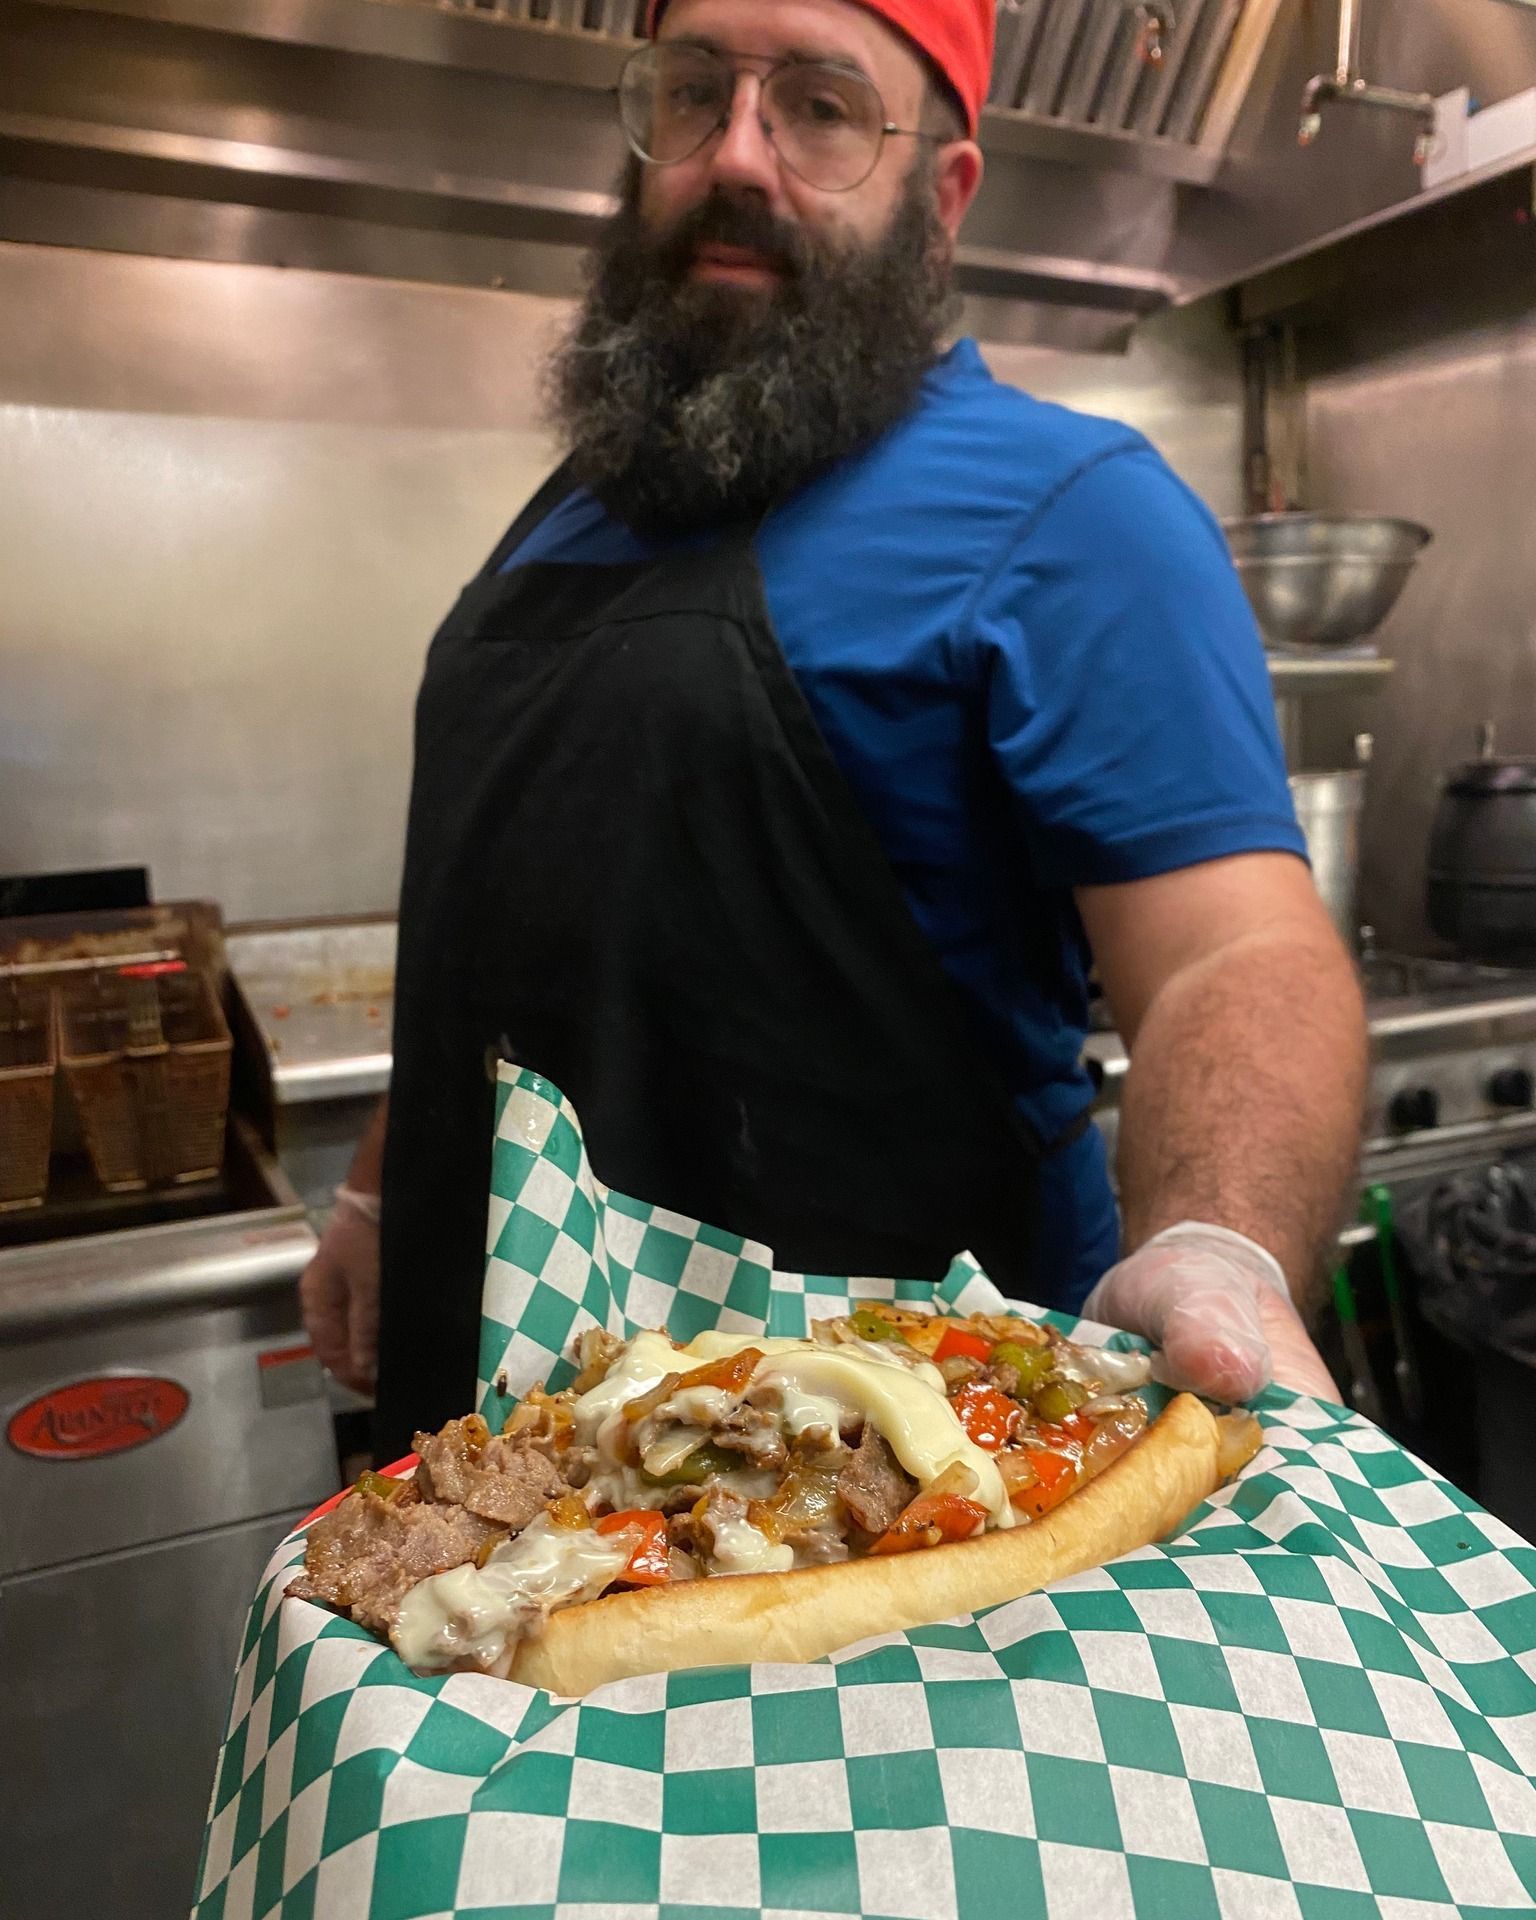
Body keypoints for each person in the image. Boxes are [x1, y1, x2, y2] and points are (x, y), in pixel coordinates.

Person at [302, 0, 1367, 1460]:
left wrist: (1224, 1247)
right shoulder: (574, 505)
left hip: (880, 1469)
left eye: (819, 105)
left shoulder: (1074, 512)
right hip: (497, 1422)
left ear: (943, 190)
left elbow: (1235, 953)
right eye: (692, 92)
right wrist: (381, 1188)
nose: (736, 154)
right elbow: (514, 922)